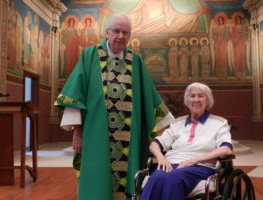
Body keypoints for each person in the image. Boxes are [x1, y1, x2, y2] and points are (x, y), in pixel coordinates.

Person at [54, 14, 175, 200]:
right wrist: (77, 131)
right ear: (107, 32)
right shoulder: (90, 55)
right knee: (96, 178)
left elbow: (149, 95)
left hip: (129, 137)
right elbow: (75, 93)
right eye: (116, 31)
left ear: (130, 35)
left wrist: (169, 127)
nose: (120, 36)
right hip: (96, 134)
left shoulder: (136, 61)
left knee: (129, 180)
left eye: (125, 32)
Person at [140, 82, 233, 200]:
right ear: (187, 101)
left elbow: (226, 149)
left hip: (200, 166)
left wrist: (192, 161)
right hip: (171, 164)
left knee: (174, 177)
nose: (196, 99)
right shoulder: (177, 123)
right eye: (192, 96)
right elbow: (154, 144)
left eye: (201, 96)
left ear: (208, 100)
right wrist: (160, 157)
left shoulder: (219, 123)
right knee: (156, 177)